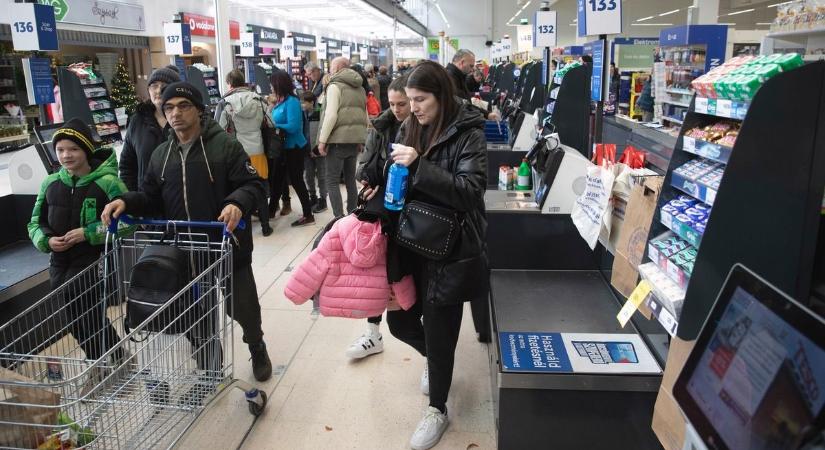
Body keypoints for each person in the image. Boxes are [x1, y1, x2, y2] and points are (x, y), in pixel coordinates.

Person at [100, 82, 273, 382]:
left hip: (226, 243)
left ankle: (256, 345)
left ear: (199, 110)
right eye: (169, 108)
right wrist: (124, 201)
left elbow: (255, 185)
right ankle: (209, 357)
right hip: (183, 249)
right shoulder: (160, 155)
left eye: (183, 106)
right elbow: (151, 199)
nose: (175, 113)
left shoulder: (225, 146)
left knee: (241, 304)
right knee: (193, 309)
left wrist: (236, 203)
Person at [360, 61, 489, 450]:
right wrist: (375, 182)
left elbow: (470, 191)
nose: (412, 107)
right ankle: (438, 362)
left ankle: (438, 409)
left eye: (420, 99)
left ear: (442, 96)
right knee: (400, 323)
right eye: (409, 100)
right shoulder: (407, 126)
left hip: (446, 250)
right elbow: (394, 172)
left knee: (439, 326)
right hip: (407, 243)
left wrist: (420, 165)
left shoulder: (469, 132)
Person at [28, 118, 133, 380]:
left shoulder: (107, 182)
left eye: (73, 149)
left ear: (85, 150)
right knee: (73, 317)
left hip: (92, 259)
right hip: (59, 262)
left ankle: (108, 361)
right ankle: (106, 360)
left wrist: (87, 234)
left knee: (90, 314)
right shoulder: (50, 183)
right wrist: (46, 240)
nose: (66, 155)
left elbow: (129, 223)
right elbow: (35, 222)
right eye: (60, 150)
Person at [345, 75, 411, 360]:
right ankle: (372, 332)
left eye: (402, 104)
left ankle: (427, 351)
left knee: (406, 277)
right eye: (393, 104)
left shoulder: (424, 126)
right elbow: (365, 166)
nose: (397, 109)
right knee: (375, 270)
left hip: (416, 213)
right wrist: (368, 181)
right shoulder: (382, 126)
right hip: (385, 208)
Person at [216, 69, 273, 236]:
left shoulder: (225, 103)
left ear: (230, 84)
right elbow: (270, 123)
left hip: (237, 152)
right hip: (258, 148)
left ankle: (243, 225)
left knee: (241, 188)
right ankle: (265, 226)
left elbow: (219, 128)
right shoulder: (259, 99)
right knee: (260, 185)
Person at [317, 57, 368, 218]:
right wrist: (361, 139)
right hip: (353, 142)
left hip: (337, 141)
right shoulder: (360, 88)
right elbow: (363, 116)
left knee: (331, 181)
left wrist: (322, 140)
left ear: (338, 67)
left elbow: (331, 115)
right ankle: (352, 215)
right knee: (350, 181)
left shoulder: (335, 86)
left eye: (332, 66)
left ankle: (339, 219)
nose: (330, 70)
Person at [120, 65, 180, 192]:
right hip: (145, 199)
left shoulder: (184, 119)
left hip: (179, 198)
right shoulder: (138, 121)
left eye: (164, 86)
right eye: (154, 86)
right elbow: (127, 165)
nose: (158, 90)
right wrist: (133, 196)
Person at [269, 70, 315, 227]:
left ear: (279, 84)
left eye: (273, 84)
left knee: (296, 181)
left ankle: (308, 214)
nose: (271, 87)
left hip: (294, 147)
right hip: (283, 148)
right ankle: (270, 211)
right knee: (277, 180)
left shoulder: (292, 102)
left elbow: (294, 126)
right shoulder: (281, 101)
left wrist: (274, 125)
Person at [445, 49, 500, 121]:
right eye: (471, 66)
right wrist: (486, 114)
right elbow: (463, 106)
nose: (472, 70)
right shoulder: (450, 78)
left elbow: (465, 103)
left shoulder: (458, 76)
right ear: (462, 62)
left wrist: (487, 114)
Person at [265, 93, 293, 217]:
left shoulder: (281, 110)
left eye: (273, 104)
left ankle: (286, 202)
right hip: (269, 146)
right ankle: (275, 203)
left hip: (279, 145)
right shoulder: (268, 111)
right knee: (272, 176)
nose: (271, 107)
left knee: (280, 177)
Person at [301, 91, 328, 213]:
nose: (302, 104)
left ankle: (323, 200)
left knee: (321, 176)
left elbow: (322, 132)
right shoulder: (303, 113)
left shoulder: (320, 112)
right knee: (308, 175)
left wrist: (316, 149)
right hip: (306, 150)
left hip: (318, 150)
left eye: (304, 102)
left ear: (311, 102)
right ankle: (313, 197)